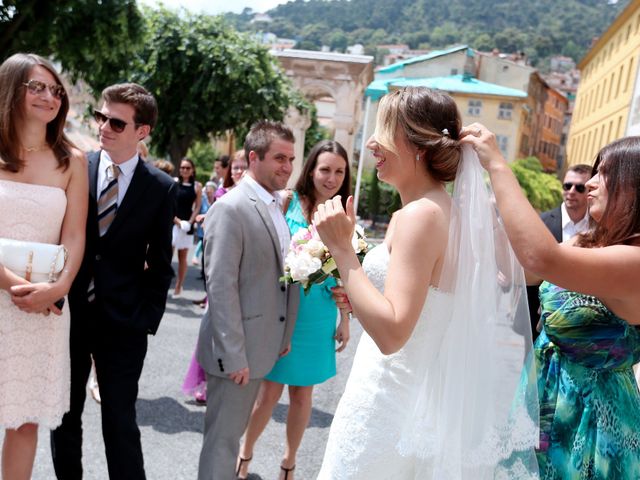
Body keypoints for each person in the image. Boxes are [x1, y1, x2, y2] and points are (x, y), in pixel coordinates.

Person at [313, 87, 538, 479]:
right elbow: (423, 311)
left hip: (385, 405)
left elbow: (393, 333)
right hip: (411, 403)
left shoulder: (420, 216)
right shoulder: (440, 212)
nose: (371, 142)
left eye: (384, 129)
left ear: (418, 145)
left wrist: (342, 251)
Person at [463, 127, 640, 479]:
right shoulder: (586, 243)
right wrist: (487, 210)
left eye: (604, 174)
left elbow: (541, 260)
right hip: (539, 400)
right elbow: (522, 272)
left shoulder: (635, 260)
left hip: (590, 421)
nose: (590, 183)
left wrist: (498, 165)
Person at [50, 83, 175, 480]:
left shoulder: (161, 187)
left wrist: (146, 318)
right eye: (102, 117)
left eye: (117, 122)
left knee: (119, 422)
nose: (104, 126)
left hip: (124, 323)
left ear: (143, 131)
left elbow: (160, 262)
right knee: (64, 417)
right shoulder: (76, 167)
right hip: (68, 314)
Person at [237, 140, 352, 480]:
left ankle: (289, 462)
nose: (331, 178)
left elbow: (344, 271)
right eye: (325, 169)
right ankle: (245, 454)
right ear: (311, 170)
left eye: (339, 171)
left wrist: (345, 318)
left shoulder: (344, 213)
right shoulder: (288, 201)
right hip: (282, 309)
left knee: (303, 396)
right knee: (268, 393)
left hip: (319, 314)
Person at [196, 120, 299, 480]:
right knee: (222, 443)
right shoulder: (232, 208)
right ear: (253, 157)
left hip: (261, 346)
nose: (287, 167)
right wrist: (234, 353)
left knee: (229, 437)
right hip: (235, 353)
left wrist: (281, 337)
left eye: (291, 159)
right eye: (279, 158)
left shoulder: (274, 205)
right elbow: (220, 286)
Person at [0, 52, 87, 480]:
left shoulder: (73, 160)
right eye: (37, 86)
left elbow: (74, 236)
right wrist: (15, 284)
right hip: (12, 293)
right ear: (11, 89)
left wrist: (59, 288)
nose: (49, 96)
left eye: (55, 90)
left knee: (25, 418)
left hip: (46, 306)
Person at [526, 164, 592, 340]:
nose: (571, 191)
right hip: (538, 321)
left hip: (583, 326)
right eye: (567, 186)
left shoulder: (598, 226)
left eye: (579, 187)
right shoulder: (540, 222)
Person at [172, 157, 202, 297]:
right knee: (167, 255)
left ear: (192, 170)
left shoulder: (197, 186)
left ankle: (179, 285)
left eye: (187, 168)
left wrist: (190, 222)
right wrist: (176, 220)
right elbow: (169, 203)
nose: (184, 170)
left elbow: (197, 206)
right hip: (173, 223)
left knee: (182, 257)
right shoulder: (174, 183)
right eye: (182, 167)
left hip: (187, 224)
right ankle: (163, 283)